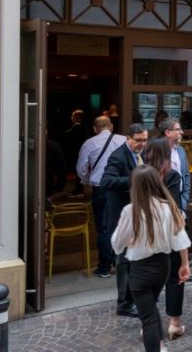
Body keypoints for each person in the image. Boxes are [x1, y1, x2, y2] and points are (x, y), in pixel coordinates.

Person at [110, 165, 190, 352]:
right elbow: (180, 238)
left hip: (140, 268)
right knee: (150, 309)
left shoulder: (131, 210)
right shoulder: (168, 207)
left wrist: (129, 241)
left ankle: (156, 347)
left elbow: (117, 243)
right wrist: (185, 264)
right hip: (163, 265)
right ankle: (160, 344)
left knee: (148, 317)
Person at [100, 123, 149, 318]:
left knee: (135, 259)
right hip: (122, 217)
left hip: (137, 214)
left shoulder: (141, 154)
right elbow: (106, 181)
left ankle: (134, 296)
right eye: (138, 141)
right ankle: (124, 303)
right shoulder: (118, 156)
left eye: (145, 140)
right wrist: (134, 178)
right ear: (128, 138)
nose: (142, 144)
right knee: (124, 261)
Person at [143, 137, 189, 339]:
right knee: (175, 278)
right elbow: (174, 208)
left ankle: (147, 325)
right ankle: (174, 323)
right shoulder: (171, 176)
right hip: (168, 234)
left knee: (149, 280)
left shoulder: (140, 175)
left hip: (146, 233)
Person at [77, 116, 126, 278]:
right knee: (123, 224)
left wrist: (86, 181)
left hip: (101, 188)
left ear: (95, 129)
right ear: (111, 126)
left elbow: (81, 168)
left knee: (103, 227)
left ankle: (105, 267)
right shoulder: (123, 140)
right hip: (121, 187)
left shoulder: (89, 143)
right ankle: (122, 262)